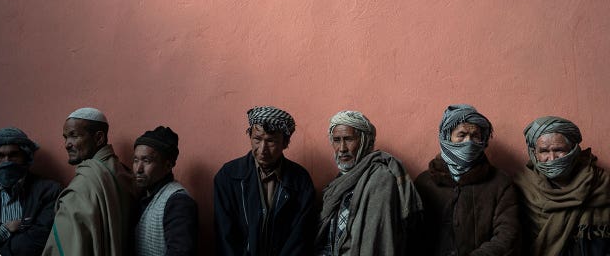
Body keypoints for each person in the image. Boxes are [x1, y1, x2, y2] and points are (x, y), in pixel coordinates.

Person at [414, 104, 520, 256]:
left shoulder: (500, 183)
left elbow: (508, 234)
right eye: (461, 135)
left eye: (475, 136)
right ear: (446, 137)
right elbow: (413, 235)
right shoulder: (424, 182)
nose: (468, 142)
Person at [315, 110, 423, 256]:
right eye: (336, 140)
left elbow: (378, 243)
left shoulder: (381, 179)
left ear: (365, 141)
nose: (342, 149)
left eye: (349, 139)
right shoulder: (340, 180)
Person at [214, 106, 316, 256]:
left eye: (271, 141)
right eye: (257, 139)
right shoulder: (228, 176)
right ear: (249, 136)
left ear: (285, 143)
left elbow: (300, 237)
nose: (262, 149)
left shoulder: (300, 181)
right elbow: (225, 235)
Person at [43, 107, 137, 256]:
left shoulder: (83, 185)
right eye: (65, 137)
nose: (67, 144)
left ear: (99, 138)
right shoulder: (123, 172)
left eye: (74, 136)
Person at [515, 116, 610, 256]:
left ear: (573, 149)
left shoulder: (599, 182)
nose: (552, 158)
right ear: (534, 153)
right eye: (544, 151)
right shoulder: (522, 185)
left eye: (559, 149)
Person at [0, 127, 62, 256]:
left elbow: (42, 235)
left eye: (14, 154)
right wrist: (2, 229)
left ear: (26, 157)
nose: (6, 161)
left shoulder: (48, 191)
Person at [133, 126, 198, 256]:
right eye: (135, 160)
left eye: (146, 161)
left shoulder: (178, 202)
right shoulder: (142, 195)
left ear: (168, 165)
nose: (138, 169)